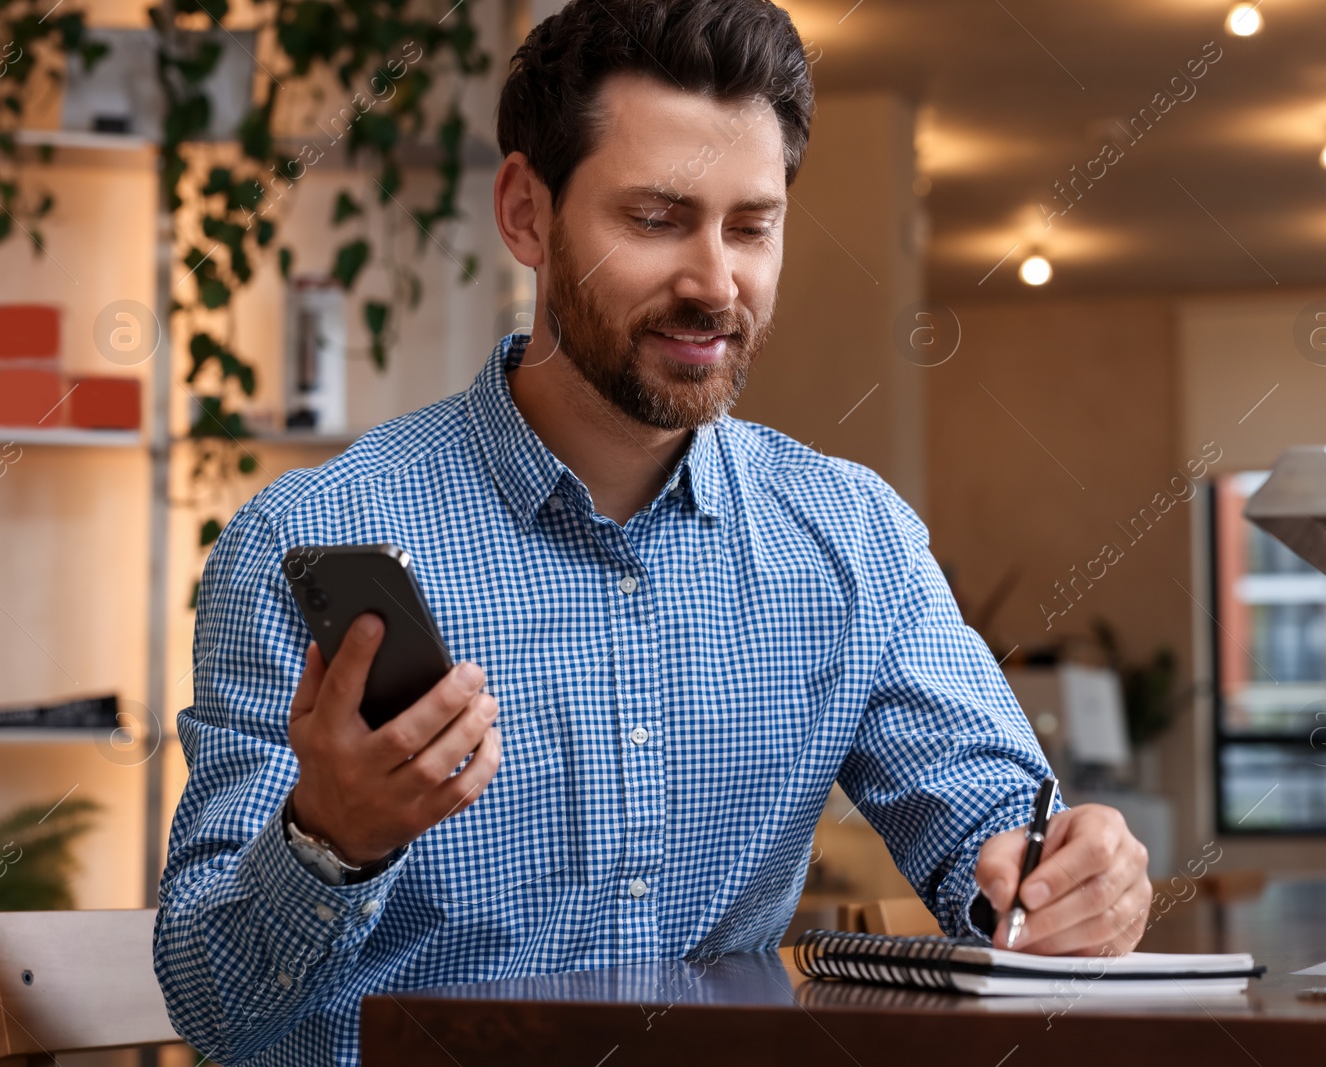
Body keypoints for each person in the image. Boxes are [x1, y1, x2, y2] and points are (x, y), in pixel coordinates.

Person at [153, 0, 1151, 1062]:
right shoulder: (307, 538)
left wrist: (1065, 883)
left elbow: (999, 840)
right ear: (526, 212)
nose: (715, 283)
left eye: (750, 226)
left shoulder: (853, 541)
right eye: (657, 218)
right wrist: (329, 841)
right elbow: (214, 1010)